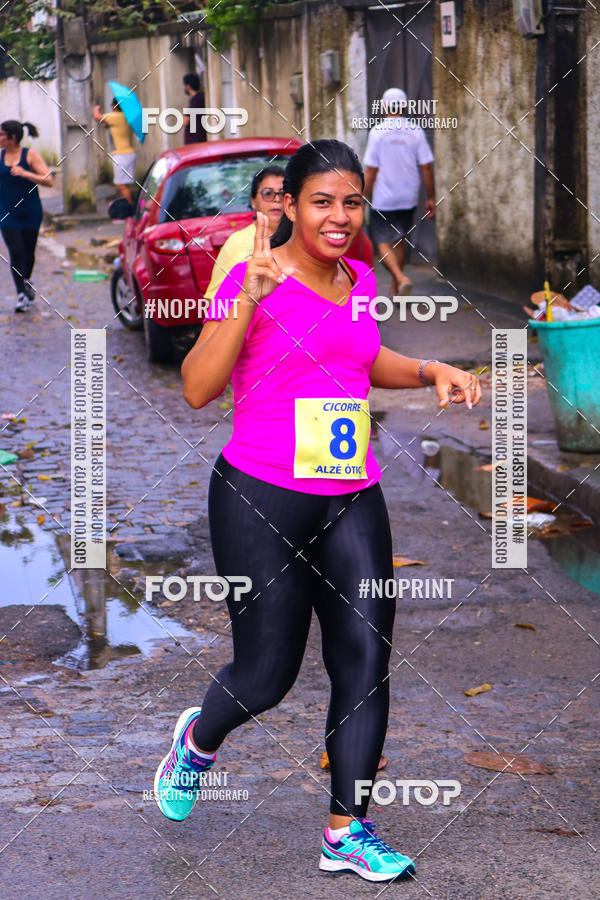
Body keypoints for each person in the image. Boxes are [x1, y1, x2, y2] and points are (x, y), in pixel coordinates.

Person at [155, 140, 481, 883]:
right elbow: (199, 387)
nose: (339, 217)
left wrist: (430, 368)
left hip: (349, 490)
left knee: (364, 661)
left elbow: (362, 360)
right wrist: (246, 299)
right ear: (291, 207)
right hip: (260, 494)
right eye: (322, 201)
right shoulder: (251, 276)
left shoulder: (361, 278)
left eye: (352, 202)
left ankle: (346, 831)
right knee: (267, 673)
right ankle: (197, 742)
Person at [363, 87, 435, 296]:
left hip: (384, 198)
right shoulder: (416, 131)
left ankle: (401, 277)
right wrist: (430, 197)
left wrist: (361, 198)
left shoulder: (377, 132)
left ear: (384, 107)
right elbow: (426, 167)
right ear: (405, 107)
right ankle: (397, 289)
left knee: (382, 241)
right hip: (408, 196)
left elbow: (371, 171)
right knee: (399, 239)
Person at [204, 165, 285, 302]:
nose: (276, 199)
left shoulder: (300, 238)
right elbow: (214, 301)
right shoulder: (237, 243)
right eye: (267, 193)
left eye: (282, 193)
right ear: (253, 201)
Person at [0, 120, 52, 313]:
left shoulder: (30, 155)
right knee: (16, 252)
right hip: (7, 213)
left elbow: (48, 180)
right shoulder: (0, 156)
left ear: (12, 138)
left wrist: (24, 173)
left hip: (30, 212)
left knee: (28, 253)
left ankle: (26, 280)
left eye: (1, 135)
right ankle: (21, 294)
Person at [93, 98, 136, 204]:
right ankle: (127, 209)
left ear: (116, 106)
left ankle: (129, 212)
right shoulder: (125, 116)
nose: (111, 107)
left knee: (121, 185)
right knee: (122, 184)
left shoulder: (116, 116)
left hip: (122, 155)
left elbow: (97, 117)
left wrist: (96, 108)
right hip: (127, 153)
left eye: (112, 105)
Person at [182, 73, 207, 145]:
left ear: (188, 86)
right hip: (197, 140)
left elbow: (185, 121)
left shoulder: (196, 100)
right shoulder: (200, 98)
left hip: (195, 141)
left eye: (184, 85)